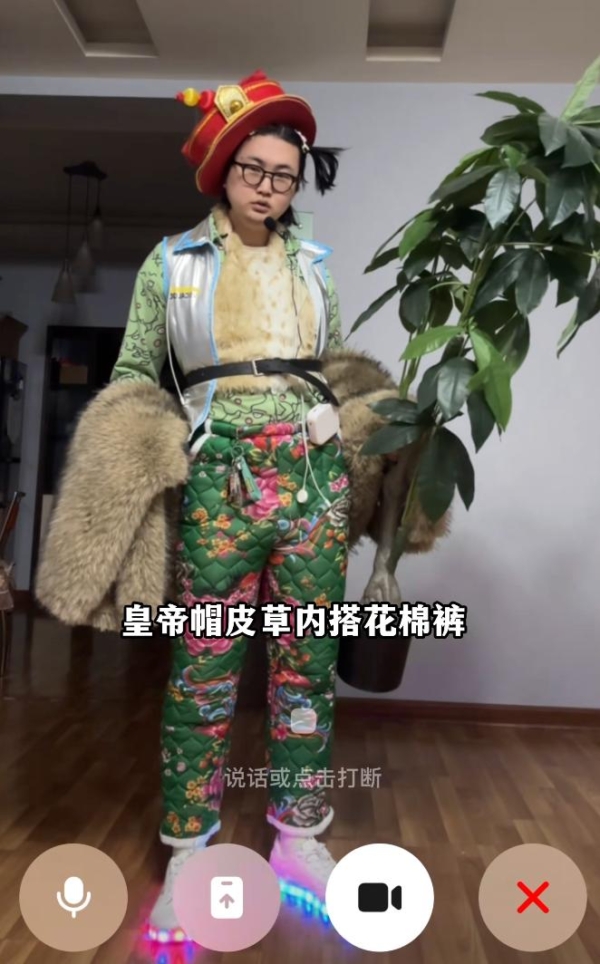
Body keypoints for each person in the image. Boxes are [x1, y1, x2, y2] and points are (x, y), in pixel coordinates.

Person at [108, 69, 353, 942]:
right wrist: (145, 469)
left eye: (284, 174)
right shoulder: (171, 263)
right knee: (204, 668)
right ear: (222, 168)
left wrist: (347, 433)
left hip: (314, 480)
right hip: (220, 479)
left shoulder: (316, 267)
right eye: (254, 169)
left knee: (308, 666)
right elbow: (134, 375)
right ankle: (189, 851)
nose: (268, 186)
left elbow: (333, 366)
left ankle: (298, 838)